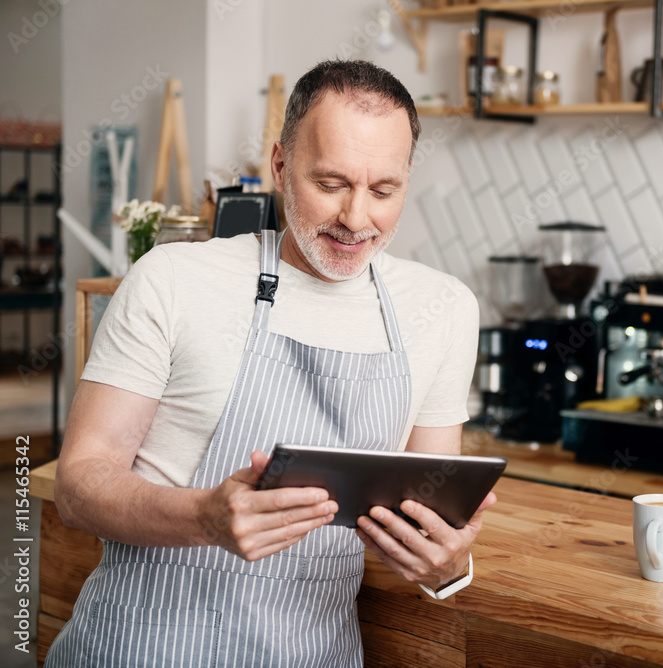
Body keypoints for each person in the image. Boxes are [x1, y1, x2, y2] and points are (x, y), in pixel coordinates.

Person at [46, 60, 489, 667]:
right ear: (280, 167)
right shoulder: (173, 280)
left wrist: (448, 562)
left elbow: (423, 518)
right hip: (144, 647)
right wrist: (204, 517)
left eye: (384, 191)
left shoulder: (443, 310)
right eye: (331, 184)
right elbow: (78, 486)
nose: (357, 219)